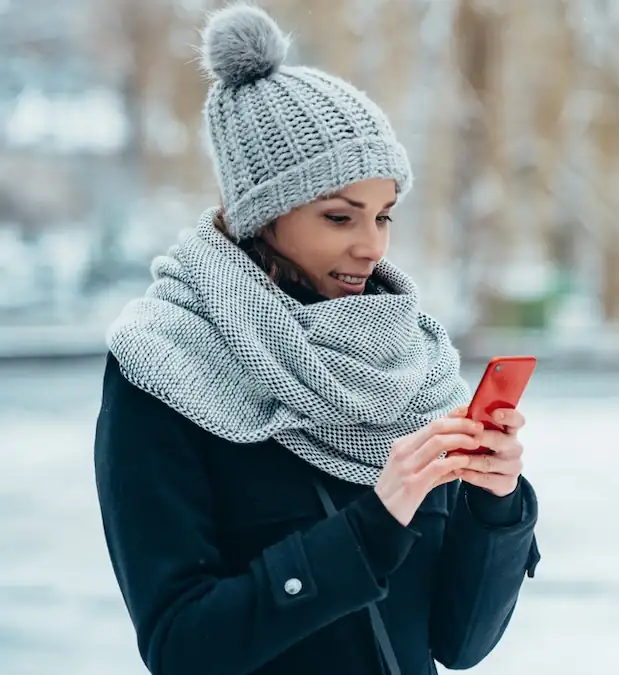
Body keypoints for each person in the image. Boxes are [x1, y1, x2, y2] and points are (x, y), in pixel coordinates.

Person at [92, 5, 540, 675]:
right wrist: (372, 525)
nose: (371, 245)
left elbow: (459, 640)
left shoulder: (409, 366)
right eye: (339, 216)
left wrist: (495, 504)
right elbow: (181, 646)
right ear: (262, 215)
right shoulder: (164, 365)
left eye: (384, 215)